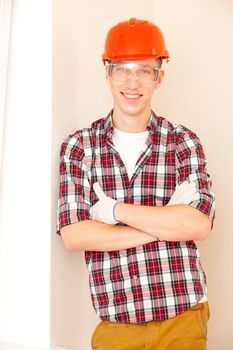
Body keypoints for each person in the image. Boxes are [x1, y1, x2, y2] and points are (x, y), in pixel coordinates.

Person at [56, 18, 215, 350]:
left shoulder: (183, 142)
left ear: (160, 77)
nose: (132, 81)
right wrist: (167, 221)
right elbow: (75, 234)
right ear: (107, 72)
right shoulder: (81, 147)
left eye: (144, 70)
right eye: (123, 69)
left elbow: (198, 224)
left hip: (183, 317)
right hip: (118, 324)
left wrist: (113, 211)